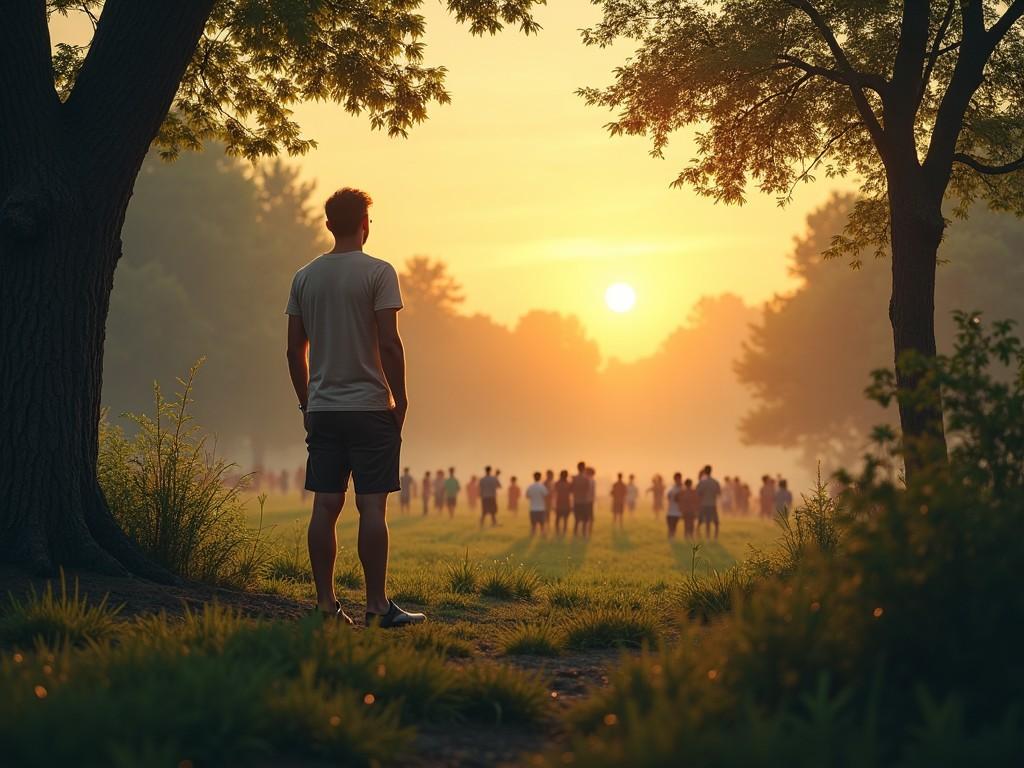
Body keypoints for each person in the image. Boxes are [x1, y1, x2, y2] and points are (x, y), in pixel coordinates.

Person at [285, 186, 423, 627]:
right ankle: (377, 606)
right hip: (369, 407)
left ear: (329, 225)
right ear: (366, 224)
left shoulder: (304, 277)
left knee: (325, 505)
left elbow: (293, 352)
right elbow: (388, 342)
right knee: (372, 507)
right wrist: (400, 399)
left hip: (323, 408)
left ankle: (326, 606)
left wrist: (307, 403)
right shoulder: (379, 273)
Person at [695, 464, 721, 539]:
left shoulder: (702, 482)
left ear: (705, 471)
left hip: (703, 504)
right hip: (712, 504)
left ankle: (700, 535)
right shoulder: (715, 482)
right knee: (715, 522)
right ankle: (715, 537)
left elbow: (697, 493)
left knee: (701, 522)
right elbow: (718, 493)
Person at [525, 471, 549, 537]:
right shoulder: (542, 487)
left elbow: (527, 496)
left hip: (533, 508)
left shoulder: (530, 487)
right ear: (540, 477)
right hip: (541, 508)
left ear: (533, 477)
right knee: (542, 524)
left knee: (533, 525)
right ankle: (543, 535)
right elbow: (546, 495)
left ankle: (532, 535)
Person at [571, 462, 590, 537]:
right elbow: (587, 489)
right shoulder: (586, 478)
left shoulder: (574, 478)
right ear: (584, 468)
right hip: (584, 502)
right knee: (585, 520)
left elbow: (571, 489)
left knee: (577, 520)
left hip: (576, 501)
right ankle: (584, 534)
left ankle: (575, 534)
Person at [553, 469, 572, 536]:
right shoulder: (568, 484)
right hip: (565, 503)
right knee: (564, 519)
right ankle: (563, 532)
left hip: (560, 503)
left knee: (558, 519)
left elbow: (554, 494)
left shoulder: (557, 483)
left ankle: (558, 532)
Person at [666, 472, 684, 539]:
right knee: (671, 527)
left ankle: (672, 540)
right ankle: (671, 540)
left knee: (673, 527)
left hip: (676, 512)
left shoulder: (682, 488)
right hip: (670, 511)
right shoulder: (672, 487)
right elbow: (668, 497)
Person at [583, 466, 597, 537]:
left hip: (586, 501)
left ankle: (586, 532)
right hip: (589, 501)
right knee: (590, 518)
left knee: (586, 518)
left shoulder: (587, 480)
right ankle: (588, 532)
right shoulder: (592, 480)